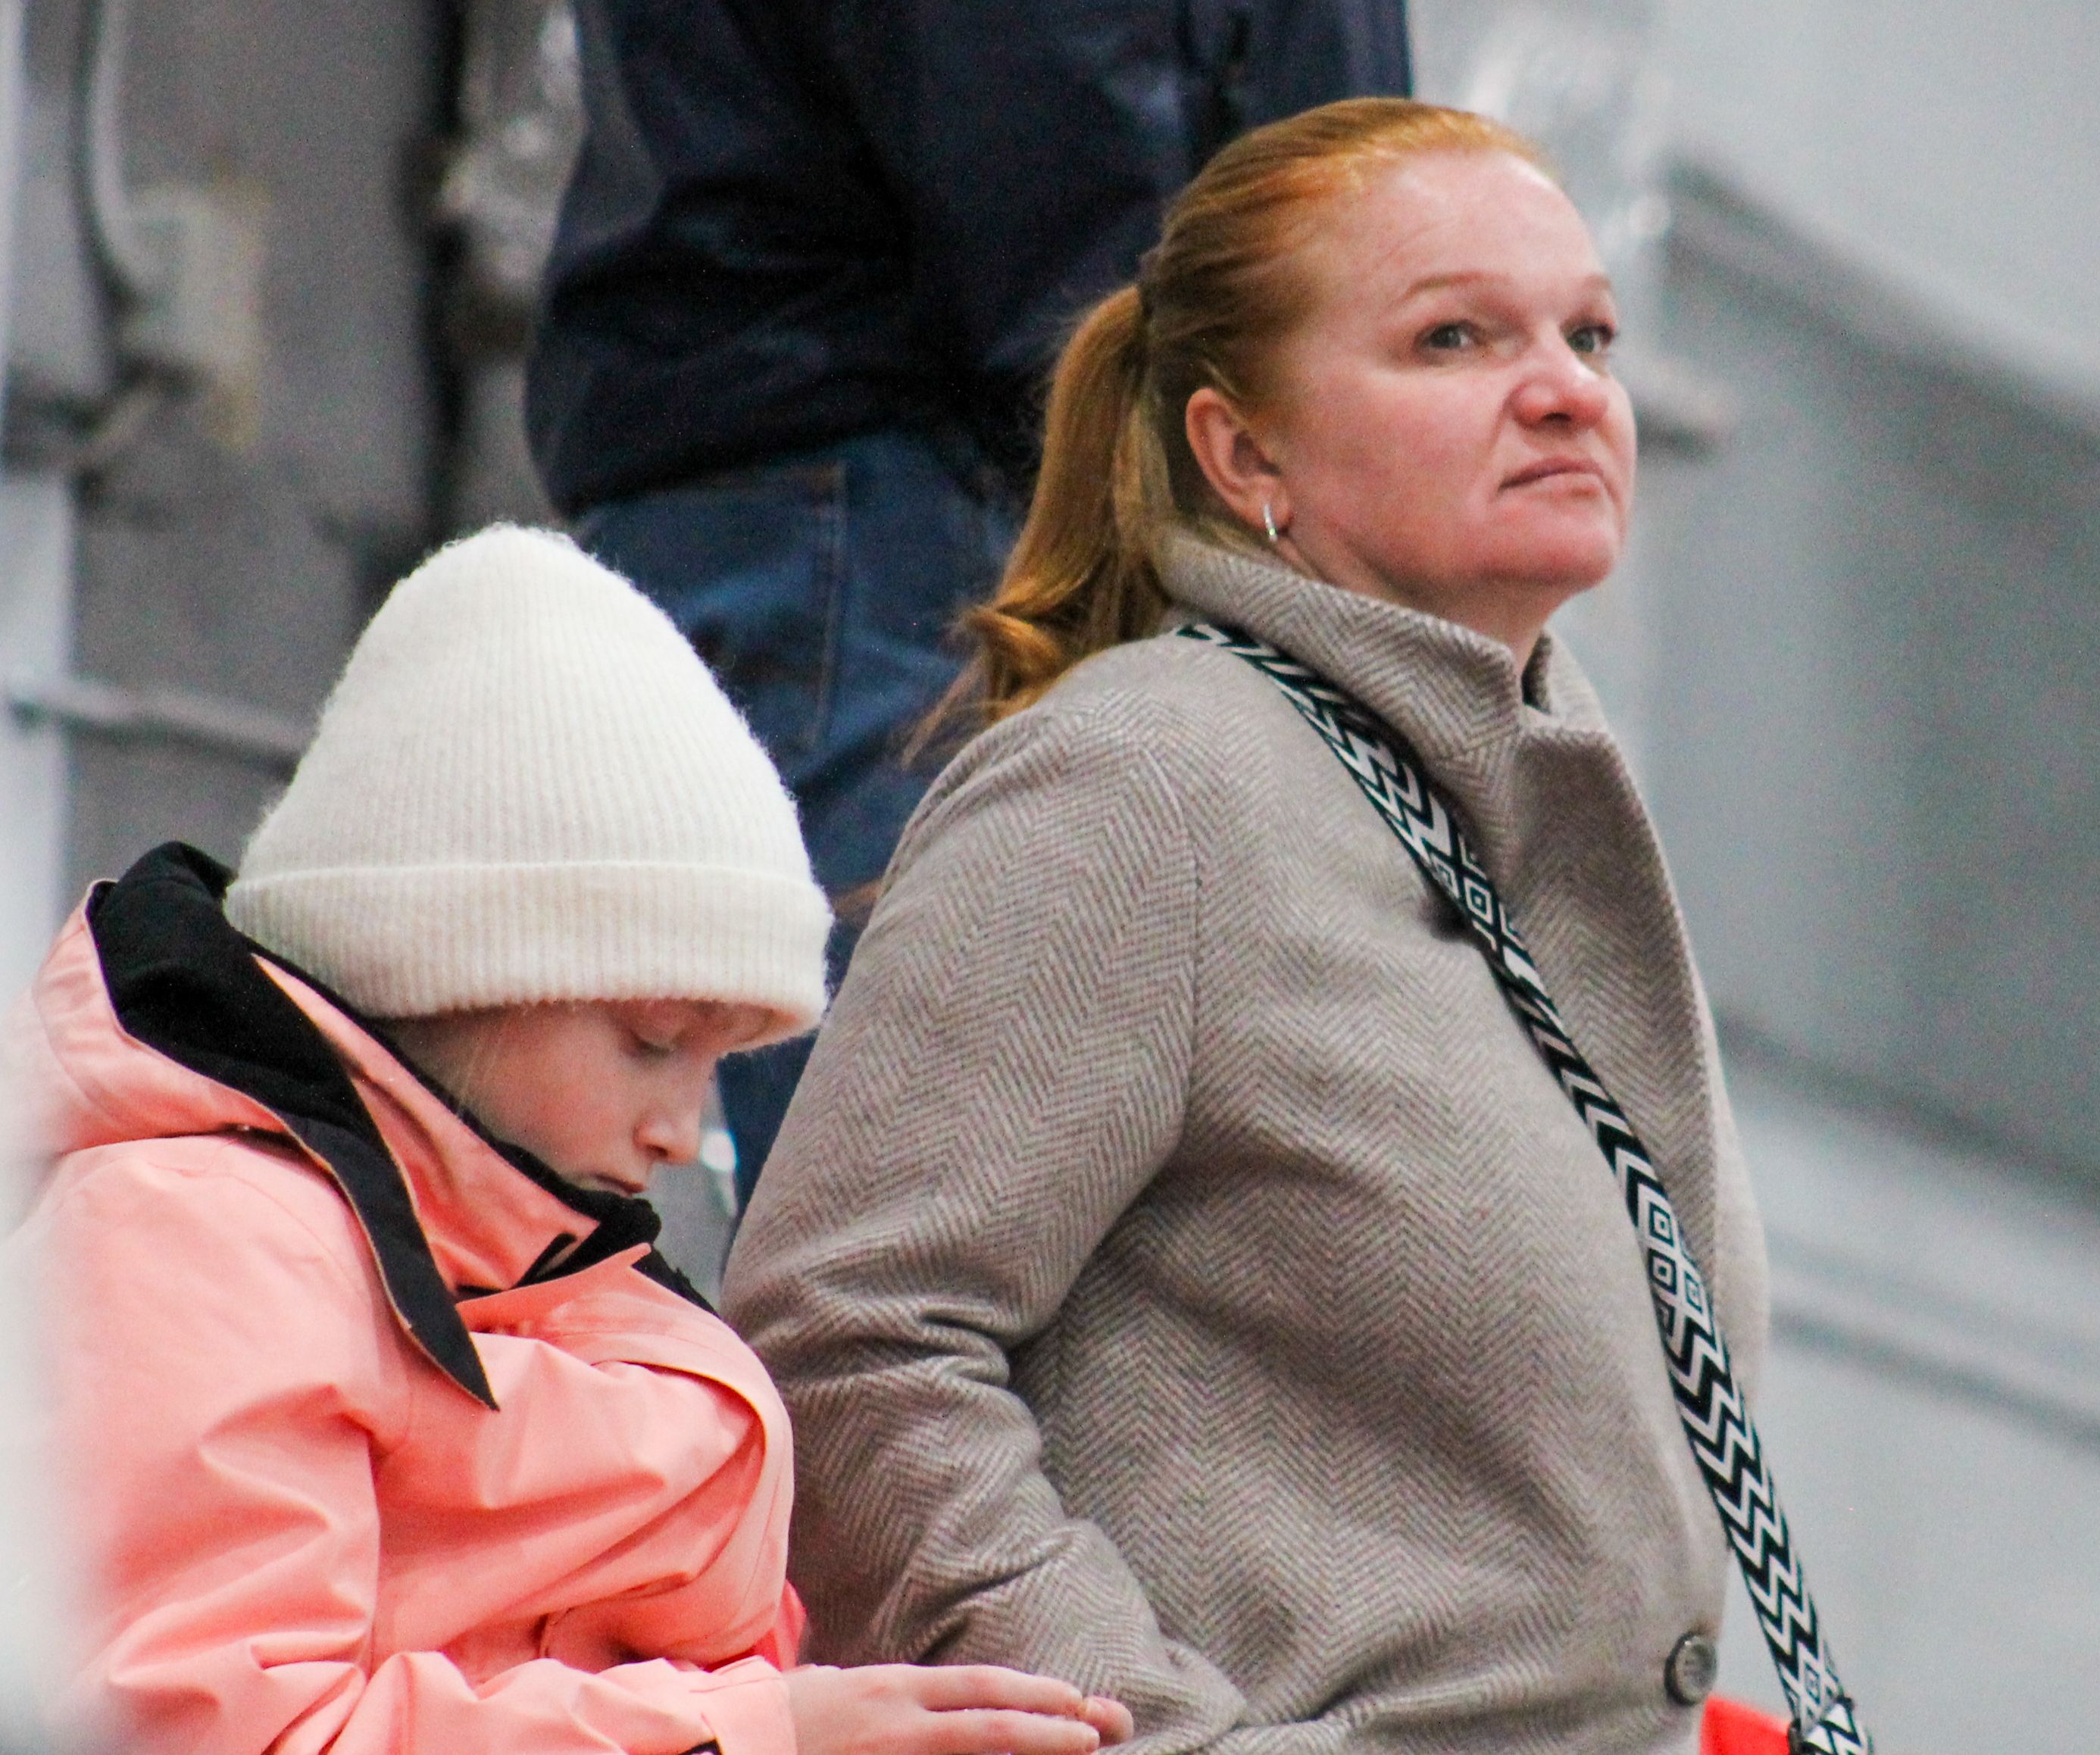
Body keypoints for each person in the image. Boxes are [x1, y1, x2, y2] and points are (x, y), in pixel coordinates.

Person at [725, 100, 1776, 1751]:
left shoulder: (1531, 812)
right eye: (1454, 338)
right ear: (1244, 454)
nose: (1567, 389)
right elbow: (844, 1341)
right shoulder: (1150, 779)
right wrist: (1147, 1733)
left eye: (1589, 335)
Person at [14, 527, 1132, 1755]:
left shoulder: (542, 1264)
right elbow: (209, 1731)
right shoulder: (200, 1231)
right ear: (456, 970)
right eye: (654, 1040)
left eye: (717, 1062)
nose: (681, 1130)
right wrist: (749, 1736)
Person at [526, 1, 1412, 1193]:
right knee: (935, 1183)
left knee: (937, 1170)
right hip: (919, 472)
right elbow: (1039, 117)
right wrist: (1233, 432)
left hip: (859, 444)